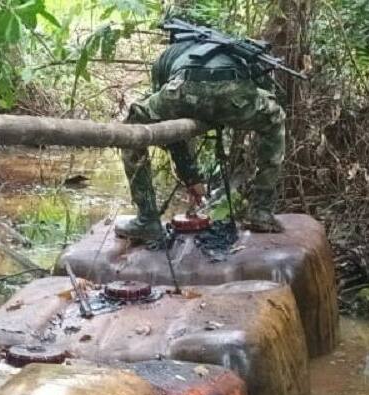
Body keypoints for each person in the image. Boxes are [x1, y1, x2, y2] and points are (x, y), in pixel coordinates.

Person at [118, 25, 288, 246]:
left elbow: (169, 129)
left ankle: (147, 219)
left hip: (183, 92)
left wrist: (190, 177)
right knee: (274, 119)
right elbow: (257, 87)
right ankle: (261, 212)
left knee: (131, 127)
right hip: (233, 95)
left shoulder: (167, 56)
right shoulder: (232, 48)